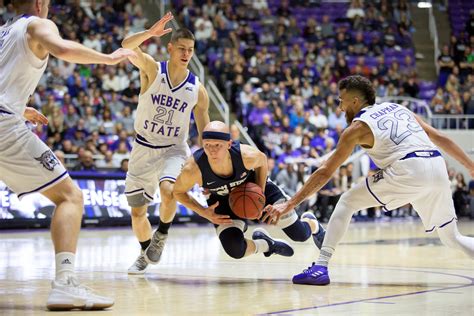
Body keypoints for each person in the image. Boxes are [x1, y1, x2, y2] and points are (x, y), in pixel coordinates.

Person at [264, 75, 474, 285]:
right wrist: (471, 166)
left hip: (408, 168)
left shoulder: (356, 129)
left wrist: (290, 204)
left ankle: (321, 266)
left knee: (347, 201)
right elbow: (440, 138)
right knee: (451, 237)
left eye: (341, 101)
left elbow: (325, 172)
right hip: (437, 166)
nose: (339, 107)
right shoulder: (399, 108)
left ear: (355, 102)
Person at [0, 0, 136, 310]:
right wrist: (108, 58)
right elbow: (60, 48)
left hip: (8, 115)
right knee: (70, 197)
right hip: (4, 126)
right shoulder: (36, 24)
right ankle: (65, 283)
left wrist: (21, 108)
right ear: (39, 3)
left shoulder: (4, 32)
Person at [121, 12, 210, 274]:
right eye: (181, 48)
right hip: (143, 148)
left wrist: (210, 169)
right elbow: (126, 46)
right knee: (138, 213)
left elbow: (205, 134)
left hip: (173, 149)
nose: (186, 54)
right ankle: (145, 250)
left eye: (190, 50)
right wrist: (149, 32)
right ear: (170, 48)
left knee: (168, 189)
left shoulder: (197, 89)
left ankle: (162, 233)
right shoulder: (152, 69)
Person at [173, 121, 325, 261]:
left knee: (299, 235)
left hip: (255, 190)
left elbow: (263, 161)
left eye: (217, 145)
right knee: (235, 249)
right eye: (207, 145)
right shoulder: (193, 169)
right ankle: (266, 245)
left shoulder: (246, 155)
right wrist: (203, 212)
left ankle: (312, 223)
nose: (212, 151)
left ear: (228, 144)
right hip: (223, 201)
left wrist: (261, 194)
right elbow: (178, 192)